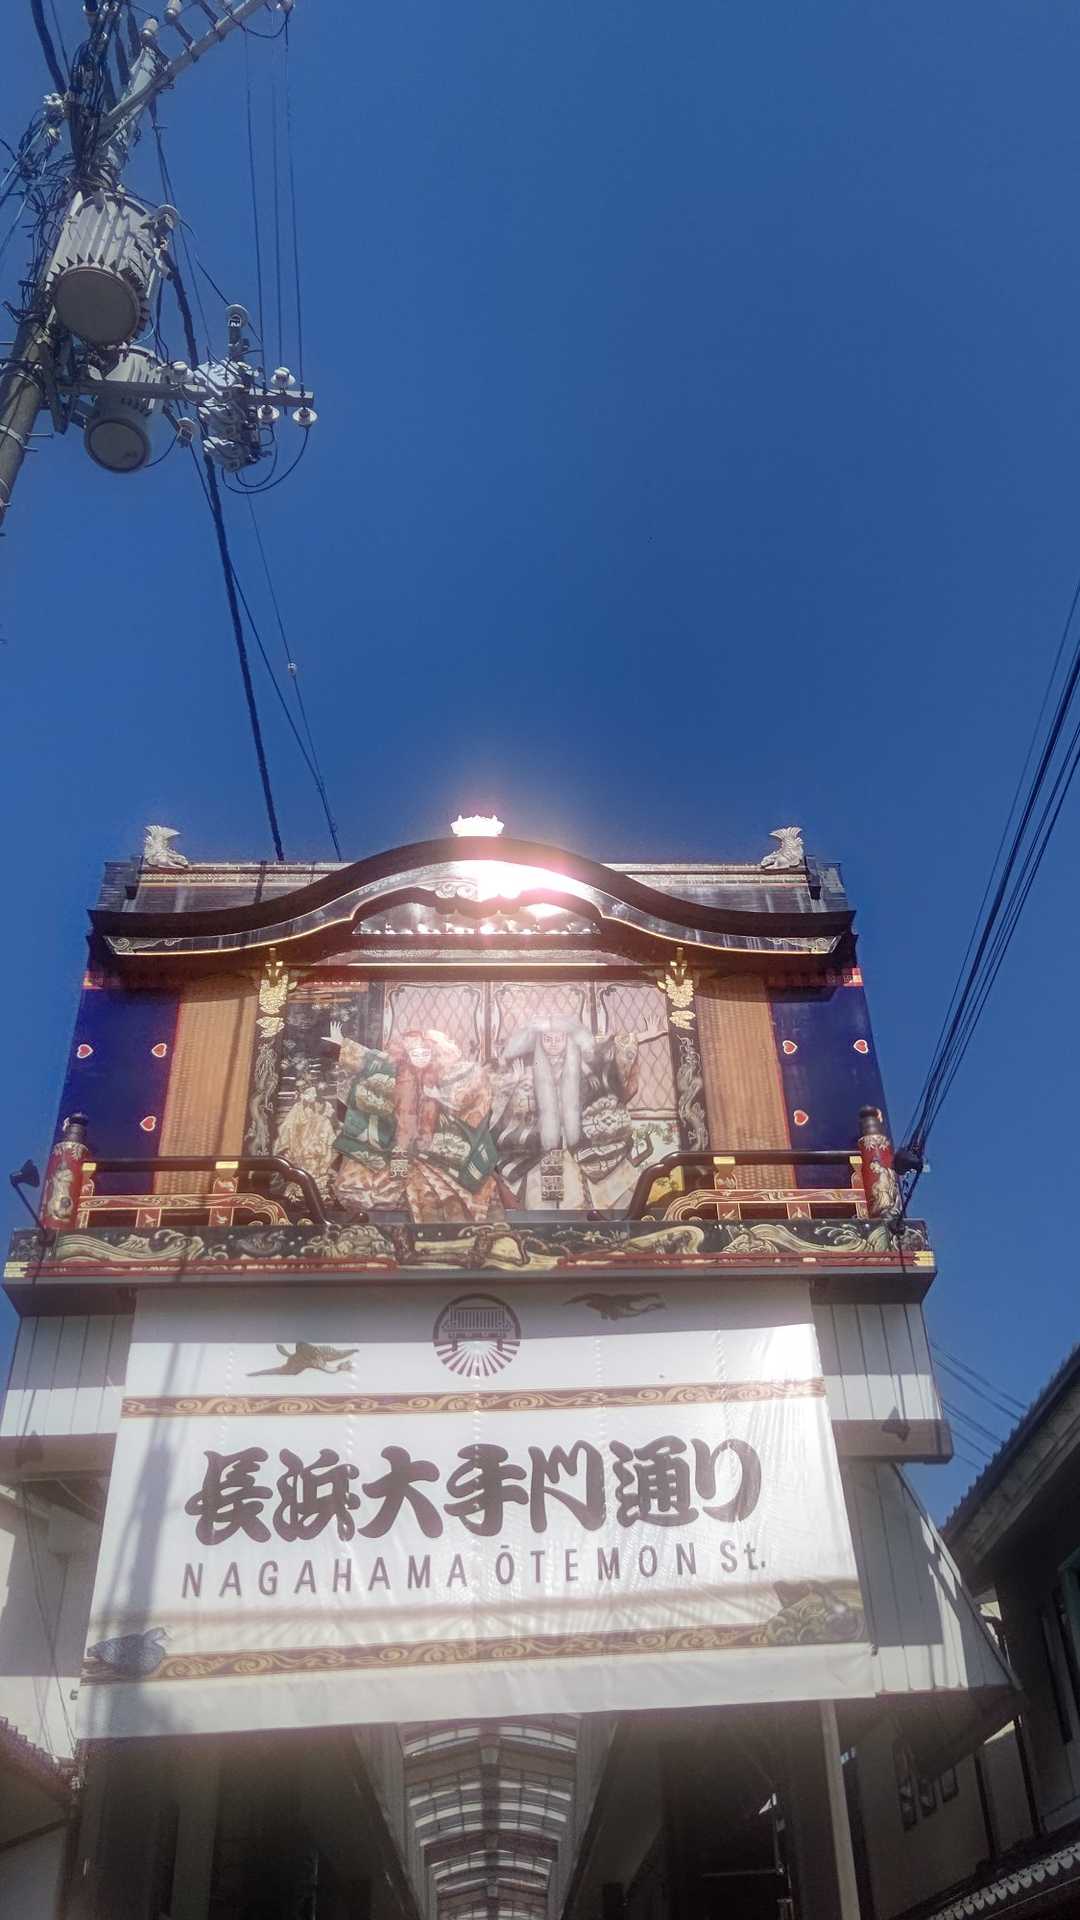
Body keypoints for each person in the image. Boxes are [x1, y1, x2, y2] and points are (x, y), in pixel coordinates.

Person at [324, 1022, 501, 1222]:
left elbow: (465, 1097)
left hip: (435, 1144)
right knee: (376, 1171)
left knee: (444, 1187)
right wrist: (342, 1044)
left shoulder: (448, 1072)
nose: (422, 1057)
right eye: (416, 1053)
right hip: (399, 1141)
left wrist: (439, 1098)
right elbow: (373, 1060)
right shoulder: (400, 1071)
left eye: (426, 1052)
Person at [493, 1017, 668, 1209]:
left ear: (567, 1039)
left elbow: (608, 1049)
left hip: (580, 1138)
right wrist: (513, 1081)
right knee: (545, 1202)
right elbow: (506, 1093)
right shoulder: (526, 1067)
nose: (553, 1044)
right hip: (541, 1144)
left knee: (590, 1196)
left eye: (558, 1039)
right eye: (548, 1039)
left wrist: (645, 1036)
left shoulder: (582, 1063)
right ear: (540, 1041)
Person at [273, 1080, 337, 1191]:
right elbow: (288, 1127)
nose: (314, 1095)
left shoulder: (321, 1107)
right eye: (310, 1093)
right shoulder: (297, 1109)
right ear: (302, 1095)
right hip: (301, 1143)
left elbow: (325, 1121)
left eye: (314, 1093)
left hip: (315, 1143)